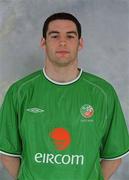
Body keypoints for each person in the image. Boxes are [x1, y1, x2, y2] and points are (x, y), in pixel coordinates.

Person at [0, 12, 129, 180]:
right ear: (43, 42)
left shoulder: (103, 93)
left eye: (70, 36)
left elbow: (113, 156)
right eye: (54, 36)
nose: (62, 42)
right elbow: (7, 153)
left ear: (80, 43)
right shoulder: (19, 92)